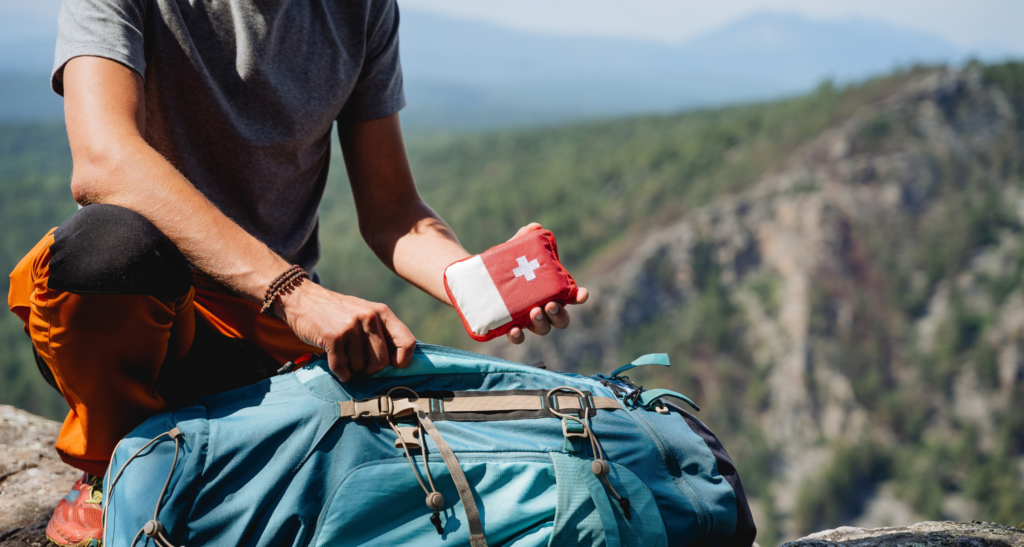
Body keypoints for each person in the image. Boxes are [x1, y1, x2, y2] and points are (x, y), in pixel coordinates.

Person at [6, 1, 588, 544]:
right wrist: (295, 293)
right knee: (105, 249)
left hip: (265, 344)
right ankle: (117, 465)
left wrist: (481, 283)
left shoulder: (360, 9)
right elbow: (104, 161)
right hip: (143, 316)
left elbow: (393, 213)